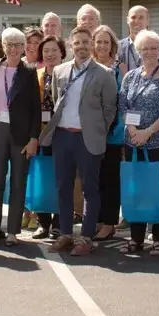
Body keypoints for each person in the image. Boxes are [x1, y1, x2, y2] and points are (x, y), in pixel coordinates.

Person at [48, 26, 118, 256]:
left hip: (88, 139)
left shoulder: (104, 74)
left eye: (86, 42)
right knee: (63, 187)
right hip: (62, 136)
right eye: (76, 43)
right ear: (70, 45)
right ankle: (66, 233)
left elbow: (110, 109)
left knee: (90, 189)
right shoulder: (59, 71)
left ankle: (86, 237)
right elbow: (56, 100)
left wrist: (98, 130)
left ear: (92, 44)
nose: (81, 47)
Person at [0, 28, 42, 246]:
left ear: (24, 47)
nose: (14, 49)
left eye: (18, 44)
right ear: (2, 46)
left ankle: (13, 231)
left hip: (21, 133)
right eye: (9, 44)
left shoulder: (30, 71)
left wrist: (34, 137)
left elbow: (35, 108)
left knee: (18, 181)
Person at [117, 29, 159, 255]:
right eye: (145, 48)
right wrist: (133, 130)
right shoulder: (130, 76)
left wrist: (148, 132)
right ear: (138, 51)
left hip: (158, 143)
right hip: (132, 142)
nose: (149, 52)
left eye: (154, 48)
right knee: (137, 190)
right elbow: (123, 105)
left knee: (156, 191)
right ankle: (136, 238)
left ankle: (158, 239)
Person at [92, 25, 125, 241]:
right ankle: (96, 218)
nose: (102, 46)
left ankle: (109, 223)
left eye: (107, 42)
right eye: (99, 42)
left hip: (113, 134)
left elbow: (123, 101)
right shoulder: (88, 67)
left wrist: (110, 126)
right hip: (90, 134)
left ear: (112, 46)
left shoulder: (118, 69)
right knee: (94, 180)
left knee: (110, 180)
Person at [32, 35, 66, 239]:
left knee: (62, 178)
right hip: (40, 133)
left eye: (54, 50)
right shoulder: (35, 75)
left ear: (62, 52)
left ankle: (59, 223)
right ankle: (43, 223)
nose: (50, 54)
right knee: (42, 179)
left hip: (63, 132)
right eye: (46, 51)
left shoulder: (69, 74)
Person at [117, 4, 149, 74]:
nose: (136, 21)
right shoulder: (117, 47)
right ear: (127, 20)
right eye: (133, 17)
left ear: (147, 21)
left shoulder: (156, 47)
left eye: (141, 17)